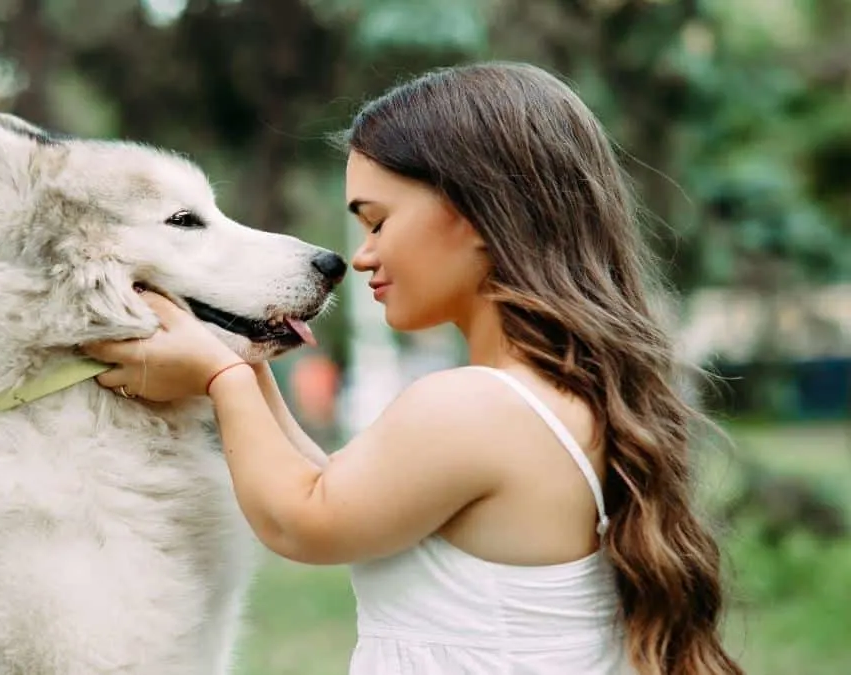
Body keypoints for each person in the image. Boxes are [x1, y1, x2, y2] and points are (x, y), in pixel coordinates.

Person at [82, 61, 743, 675]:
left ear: (476, 215)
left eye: (378, 221)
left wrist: (219, 379)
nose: (362, 256)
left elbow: (302, 519)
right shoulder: (549, 397)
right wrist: (243, 362)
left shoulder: (474, 406)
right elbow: (330, 482)